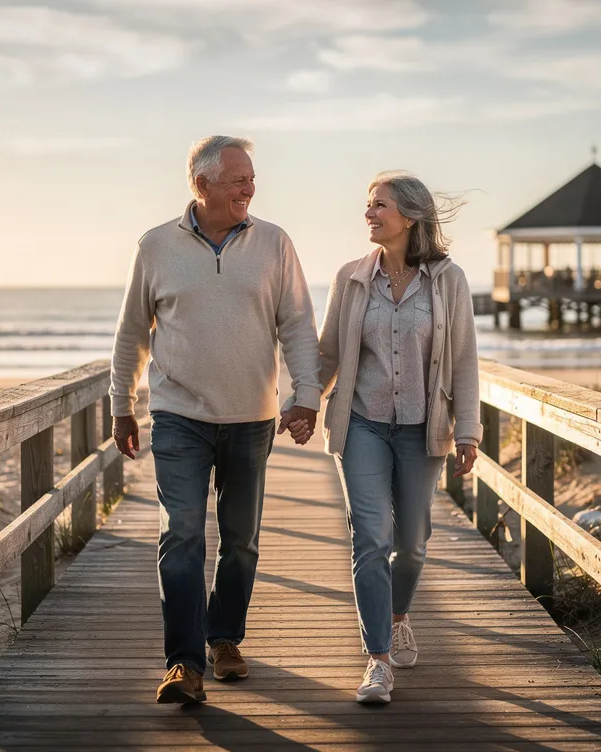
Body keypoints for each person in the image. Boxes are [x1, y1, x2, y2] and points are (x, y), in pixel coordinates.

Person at [109, 135, 322, 705]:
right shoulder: (155, 246)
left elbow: (298, 324)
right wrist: (120, 404)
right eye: (237, 180)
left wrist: (306, 395)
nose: (249, 188)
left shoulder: (275, 243)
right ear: (200, 185)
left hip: (251, 416)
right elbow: (132, 332)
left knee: (241, 540)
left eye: (251, 178)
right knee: (179, 534)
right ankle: (184, 662)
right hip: (179, 414)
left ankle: (224, 637)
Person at [285, 170, 479, 705]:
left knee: (412, 543)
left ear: (410, 216)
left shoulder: (448, 280)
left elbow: (463, 360)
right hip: (364, 423)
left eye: (379, 206)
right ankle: (377, 660)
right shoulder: (351, 278)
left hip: (423, 429)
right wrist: (304, 401)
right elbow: (327, 354)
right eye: (368, 205)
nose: (369, 214)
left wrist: (468, 430)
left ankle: (397, 618)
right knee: (369, 537)